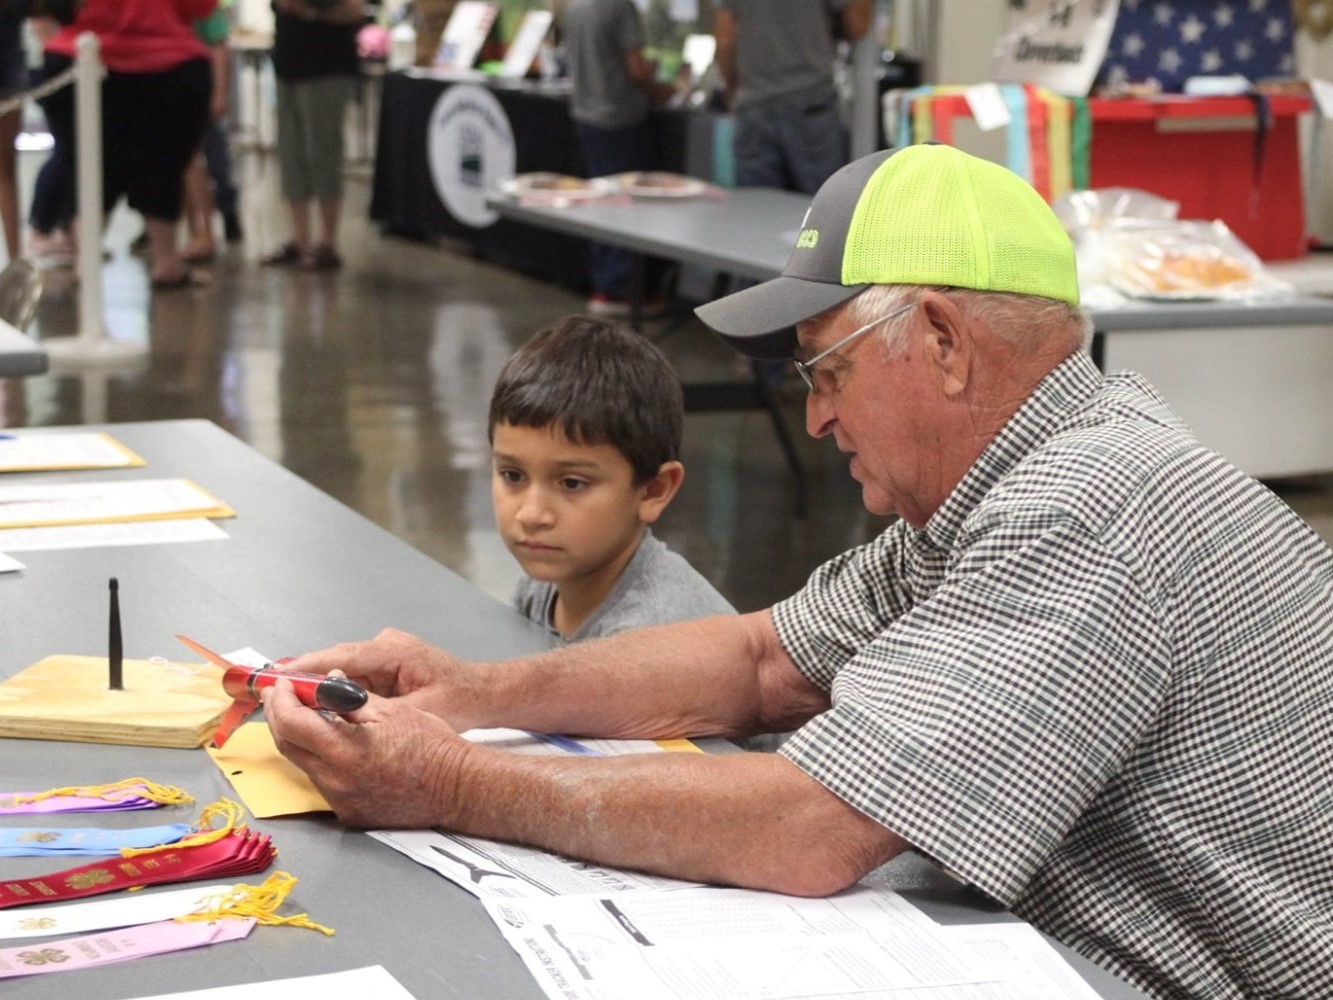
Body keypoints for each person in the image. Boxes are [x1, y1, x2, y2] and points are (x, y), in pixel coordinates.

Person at [264, 144, 1333, 999]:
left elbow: (809, 825)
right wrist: (467, 693)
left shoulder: (1086, 505)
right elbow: (761, 657)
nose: (815, 416)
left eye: (827, 369)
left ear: (946, 342)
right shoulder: (1005, 487)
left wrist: (444, 783)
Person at [490, 315, 734, 641]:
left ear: (653, 490)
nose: (531, 515)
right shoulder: (540, 588)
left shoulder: (652, 641)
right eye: (513, 475)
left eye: (572, 483)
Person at [36, 0, 216, 288]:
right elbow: (201, 7)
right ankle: (166, 260)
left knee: (88, 167)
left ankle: (88, 261)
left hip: (83, 54)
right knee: (161, 168)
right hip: (165, 60)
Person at [562, 0, 672, 315]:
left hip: (586, 116)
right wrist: (658, 87)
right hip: (620, 120)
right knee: (626, 206)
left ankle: (606, 283)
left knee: (603, 202)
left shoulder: (577, 7)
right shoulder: (620, 7)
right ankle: (621, 290)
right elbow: (636, 67)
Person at [712, 0, 870, 195]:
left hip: (755, 104)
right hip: (811, 101)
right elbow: (858, 26)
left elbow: (724, 39)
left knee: (758, 214)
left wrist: (733, 91)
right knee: (822, 210)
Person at [260, 0, 364, 272]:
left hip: (326, 68)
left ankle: (328, 242)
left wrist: (309, 12)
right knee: (291, 154)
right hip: (288, 66)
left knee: (322, 152)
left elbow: (354, 10)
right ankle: (299, 238)